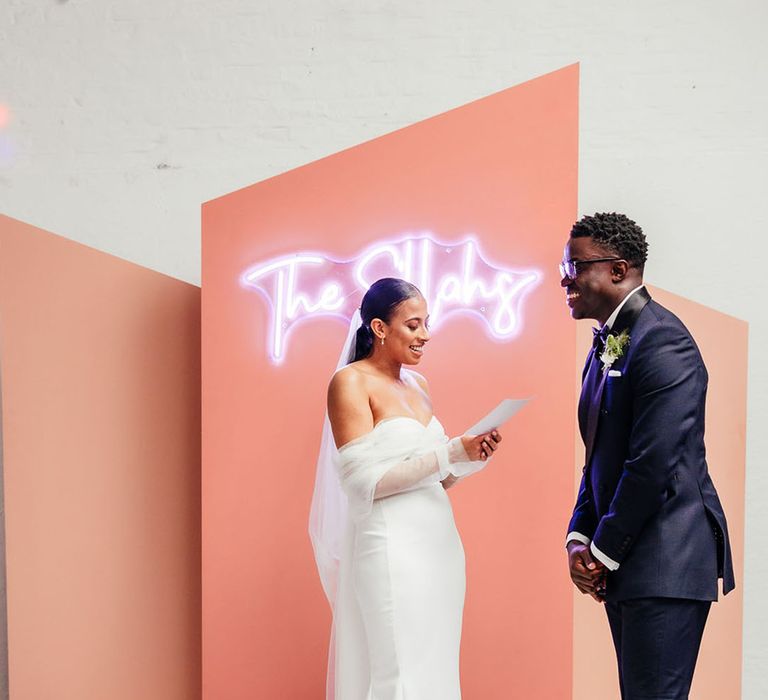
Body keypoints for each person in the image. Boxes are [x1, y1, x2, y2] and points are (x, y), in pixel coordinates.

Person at [562, 212, 734, 699]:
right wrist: (578, 537)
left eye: (575, 265)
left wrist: (602, 551)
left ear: (618, 270)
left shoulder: (664, 341)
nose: (565, 277)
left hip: (665, 561)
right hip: (629, 563)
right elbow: (597, 456)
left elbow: (651, 464)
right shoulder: (605, 347)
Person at [309, 277, 502, 700]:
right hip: (389, 545)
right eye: (413, 325)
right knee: (398, 670)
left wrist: (470, 456)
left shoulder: (421, 387)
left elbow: (433, 476)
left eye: (427, 324)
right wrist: (450, 451)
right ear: (379, 328)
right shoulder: (350, 382)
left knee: (435, 668)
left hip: (440, 546)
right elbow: (363, 483)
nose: (425, 335)